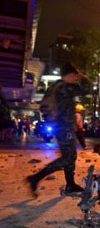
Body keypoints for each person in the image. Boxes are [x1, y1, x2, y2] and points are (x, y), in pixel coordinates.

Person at [26, 63, 92, 196]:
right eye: (75, 76)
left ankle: (70, 184)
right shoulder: (65, 87)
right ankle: (36, 178)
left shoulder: (55, 86)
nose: (75, 79)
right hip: (64, 126)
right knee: (68, 157)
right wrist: (83, 76)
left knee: (70, 155)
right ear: (71, 75)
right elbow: (86, 90)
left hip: (58, 124)